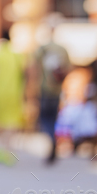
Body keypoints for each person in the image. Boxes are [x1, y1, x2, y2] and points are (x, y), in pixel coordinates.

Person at [32, 23, 71, 163]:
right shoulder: (62, 50)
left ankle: (51, 138)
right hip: (56, 90)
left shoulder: (42, 49)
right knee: (53, 119)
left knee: (44, 119)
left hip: (44, 89)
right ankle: (53, 138)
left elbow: (32, 68)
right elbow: (68, 70)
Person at [0, 30, 27, 165]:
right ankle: (8, 151)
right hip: (15, 93)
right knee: (12, 123)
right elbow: (25, 73)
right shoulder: (17, 55)